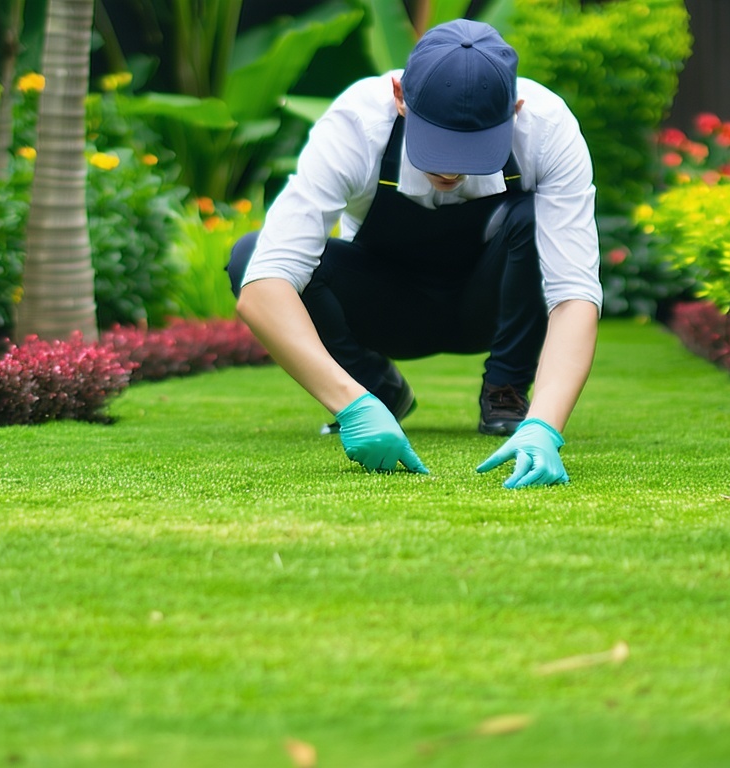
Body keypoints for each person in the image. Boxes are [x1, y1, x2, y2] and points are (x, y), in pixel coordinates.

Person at [228, 19, 601, 489]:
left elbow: (575, 294)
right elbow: (265, 286)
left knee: (530, 219)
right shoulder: (357, 124)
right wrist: (351, 403)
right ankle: (377, 391)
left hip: (492, 307)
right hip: (389, 307)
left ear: (515, 111)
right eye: (439, 141)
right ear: (400, 95)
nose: (450, 166)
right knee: (250, 257)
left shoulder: (548, 128)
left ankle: (506, 394)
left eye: (473, 147)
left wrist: (547, 424)